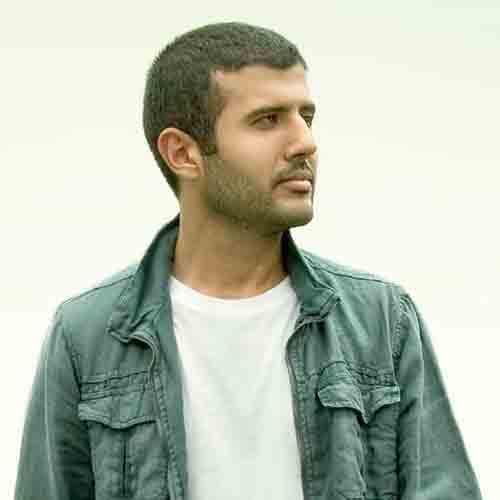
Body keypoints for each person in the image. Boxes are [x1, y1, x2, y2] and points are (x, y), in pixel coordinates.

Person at [15, 21, 483, 500]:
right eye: (268, 120)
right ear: (183, 153)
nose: (305, 142)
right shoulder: (86, 336)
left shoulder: (382, 320)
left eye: (306, 116)